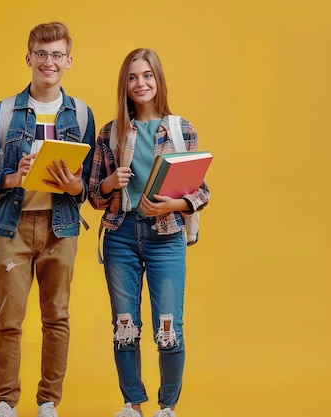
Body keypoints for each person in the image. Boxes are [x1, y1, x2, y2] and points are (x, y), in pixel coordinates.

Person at [0, 22, 95, 417]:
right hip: (13, 226)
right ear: (29, 58)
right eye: (42, 54)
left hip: (61, 228)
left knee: (57, 317)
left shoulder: (84, 114)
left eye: (57, 55)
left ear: (69, 61)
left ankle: (48, 402)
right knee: (8, 319)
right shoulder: (1, 112)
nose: (49, 62)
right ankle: (5, 401)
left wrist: (75, 186)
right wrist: (10, 177)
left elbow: (89, 184)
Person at [88, 48, 210, 417]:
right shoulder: (110, 133)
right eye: (132, 77)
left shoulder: (180, 128)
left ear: (158, 81)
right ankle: (132, 404)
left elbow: (201, 192)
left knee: (168, 325)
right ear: (124, 85)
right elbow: (93, 195)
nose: (140, 84)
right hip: (121, 234)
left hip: (166, 235)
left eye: (147, 76)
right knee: (125, 324)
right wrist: (109, 184)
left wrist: (171, 205)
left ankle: (167, 407)